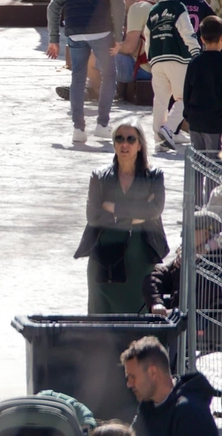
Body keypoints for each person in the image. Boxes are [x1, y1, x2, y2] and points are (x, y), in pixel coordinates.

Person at [76, 122, 168, 314]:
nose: (124, 144)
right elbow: (93, 216)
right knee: (101, 323)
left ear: (140, 145)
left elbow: (154, 210)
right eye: (119, 138)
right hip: (104, 260)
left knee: (138, 320)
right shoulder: (99, 177)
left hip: (140, 259)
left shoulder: (154, 176)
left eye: (130, 139)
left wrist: (114, 208)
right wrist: (136, 214)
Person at [48, 0, 127, 144]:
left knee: (78, 77)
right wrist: (118, 37)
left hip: (74, 31)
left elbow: (53, 7)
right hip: (101, 31)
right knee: (109, 75)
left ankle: (78, 129)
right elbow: (119, 4)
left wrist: (54, 39)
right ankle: (102, 125)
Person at [144, 0, 201, 150]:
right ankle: (168, 129)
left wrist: (150, 58)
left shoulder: (152, 10)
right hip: (178, 59)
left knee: (160, 100)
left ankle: (158, 140)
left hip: (157, 60)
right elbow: (186, 30)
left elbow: (147, 35)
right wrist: (196, 52)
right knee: (185, 97)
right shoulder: (179, 7)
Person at [121, 336, 216, 436]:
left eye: (132, 377)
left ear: (152, 372)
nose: (129, 384)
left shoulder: (189, 413)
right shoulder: (147, 405)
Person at [184, 16, 222, 155]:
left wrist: (187, 114)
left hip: (195, 120)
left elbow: (187, 91)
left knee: (197, 163)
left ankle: (195, 178)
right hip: (214, 122)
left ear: (202, 39)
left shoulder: (194, 62)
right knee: (213, 164)